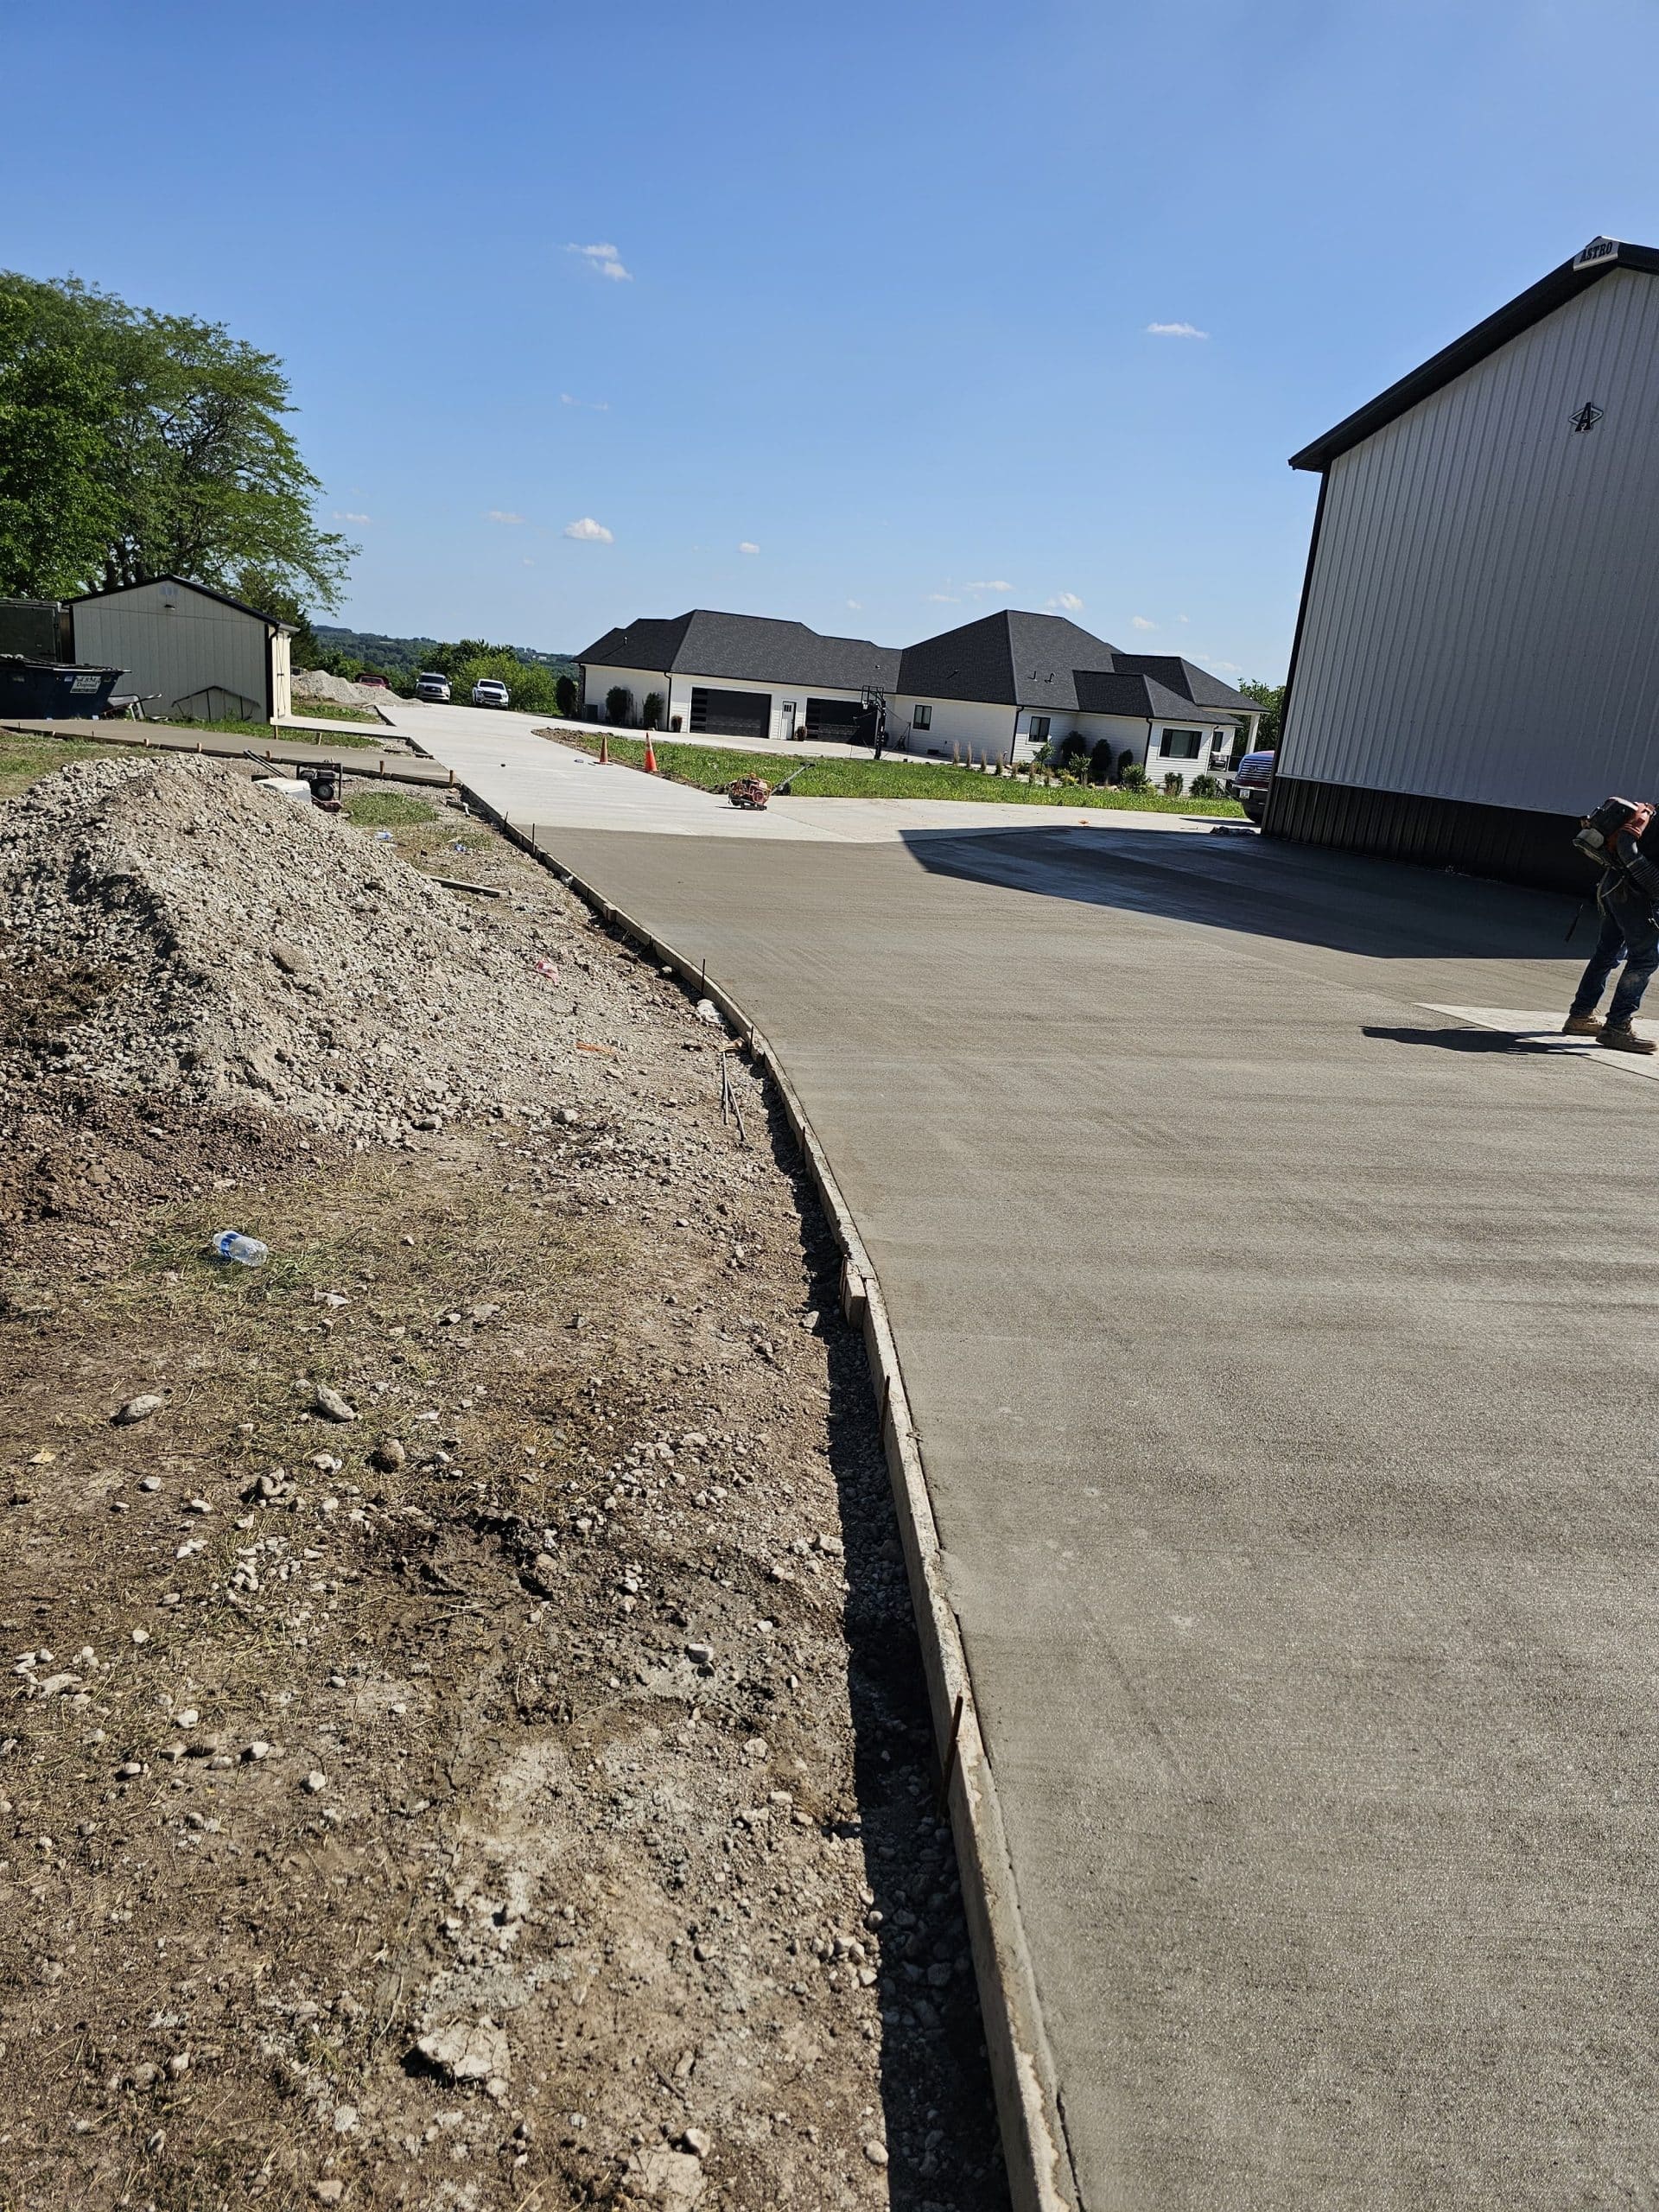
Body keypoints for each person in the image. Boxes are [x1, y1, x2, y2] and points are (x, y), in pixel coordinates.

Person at [1564, 804, 1659, 1053]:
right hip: (1635, 896)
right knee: (1645, 960)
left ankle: (1581, 1016)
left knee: (1607, 952)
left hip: (1614, 886)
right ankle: (1617, 1028)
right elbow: (1627, 845)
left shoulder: (1654, 813)